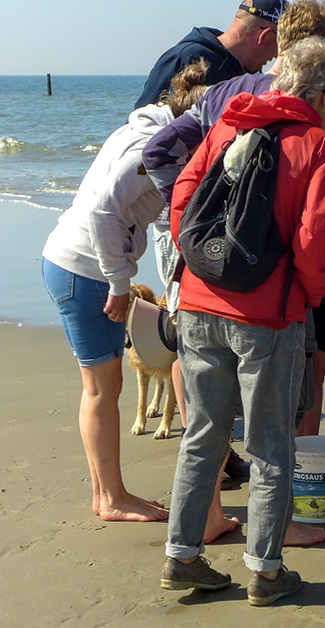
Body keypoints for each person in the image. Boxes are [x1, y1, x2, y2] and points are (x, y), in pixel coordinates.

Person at [143, 0, 325, 528]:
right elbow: (317, 237)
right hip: (269, 310)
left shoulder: (226, 117)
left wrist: (197, 255)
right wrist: (310, 291)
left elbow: (183, 190)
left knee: (202, 435)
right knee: (270, 443)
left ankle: (183, 551)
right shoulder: (317, 144)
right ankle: (266, 566)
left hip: (199, 298)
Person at [41, 61, 210, 523]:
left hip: (73, 262)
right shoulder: (149, 145)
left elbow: (142, 207)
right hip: (84, 268)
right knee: (102, 389)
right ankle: (111, 498)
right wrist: (118, 283)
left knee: (101, 386)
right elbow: (101, 211)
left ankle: (105, 492)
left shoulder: (146, 129)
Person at [134, 0, 287, 109]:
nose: (276, 55)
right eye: (279, 45)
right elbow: (139, 125)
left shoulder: (247, 76)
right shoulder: (184, 59)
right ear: (265, 36)